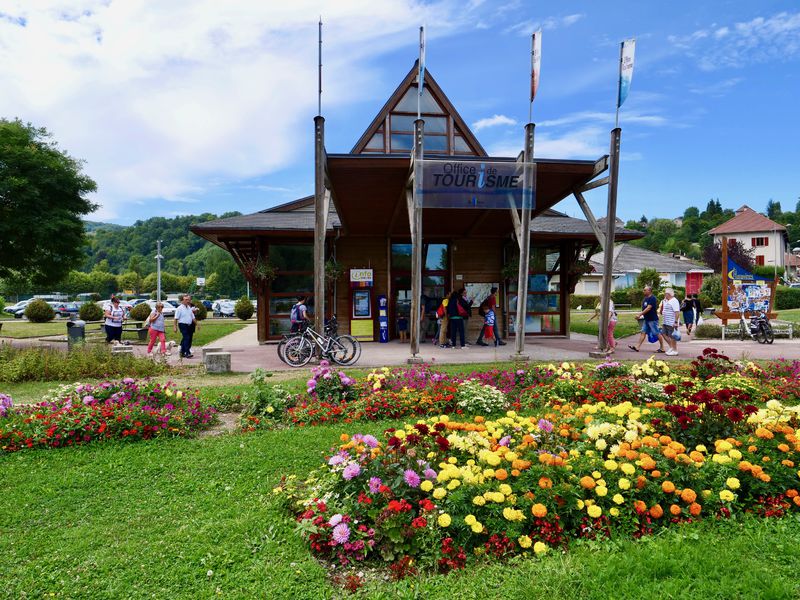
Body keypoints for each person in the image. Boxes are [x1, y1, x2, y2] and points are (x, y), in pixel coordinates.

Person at [629, 285, 665, 353]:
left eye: (645, 290)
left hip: (652, 319)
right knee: (643, 332)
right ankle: (637, 347)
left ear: (649, 291)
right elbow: (644, 309)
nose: (643, 291)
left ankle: (662, 348)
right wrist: (642, 316)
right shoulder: (645, 299)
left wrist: (640, 314)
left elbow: (648, 308)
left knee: (657, 333)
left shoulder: (652, 298)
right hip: (647, 319)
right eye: (644, 290)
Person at [174, 294, 198, 359]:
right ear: (182, 301)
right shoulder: (179, 308)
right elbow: (175, 318)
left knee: (188, 338)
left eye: (188, 299)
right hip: (182, 325)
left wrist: (197, 324)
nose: (187, 301)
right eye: (186, 300)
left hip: (189, 325)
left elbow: (193, 317)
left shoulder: (189, 308)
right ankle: (187, 353)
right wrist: (175, 327)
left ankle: (182, 352)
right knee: (187, 337)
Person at [660, 288, 681, 356]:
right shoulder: (666, 300)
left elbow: (677, 312)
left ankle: (675, 350)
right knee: (663, 333)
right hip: (666, 322)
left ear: (668, 294)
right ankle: (671, 347)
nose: (664, 294)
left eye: (665, 293)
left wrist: (675, 322)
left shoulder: (674, 301)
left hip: (671, 322)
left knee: (672, 336)